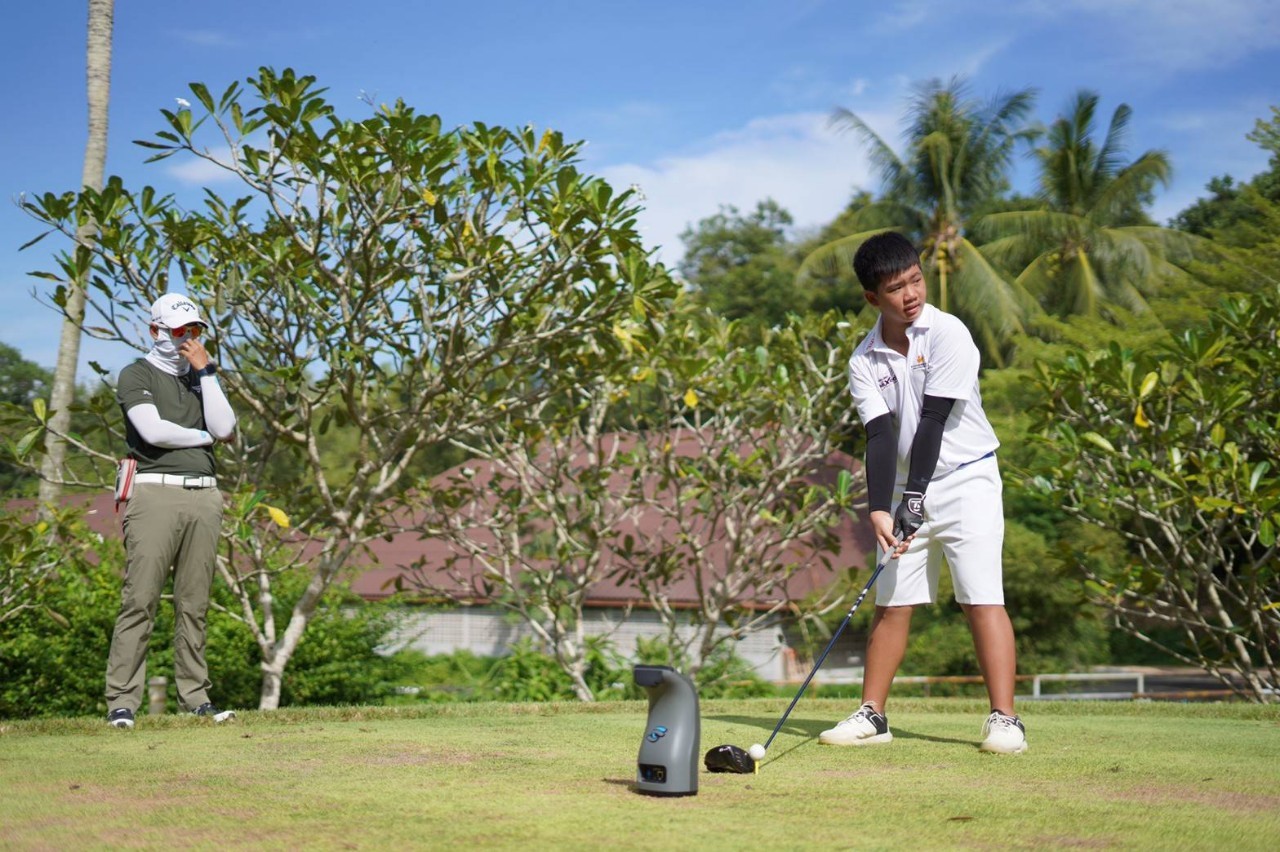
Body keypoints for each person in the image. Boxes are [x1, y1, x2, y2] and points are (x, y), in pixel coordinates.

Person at [818, 232, 1027, 754]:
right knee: (892, 602)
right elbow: (880, 436)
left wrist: (913, 499)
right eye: (896, 288)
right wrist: (879, 509)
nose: (911, 294)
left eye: (916, 280)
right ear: (872, 297)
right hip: (905, 486)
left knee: (980, 596)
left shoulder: (949, 333)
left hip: (967, 478)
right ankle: (873, 716)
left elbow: (933, 419)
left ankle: (1005, 720)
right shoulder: (863, 361)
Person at [105, 293, 238, 729]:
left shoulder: (201, 377)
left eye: (194, 330)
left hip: (205, 495)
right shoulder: (137, 373)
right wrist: (204, 437)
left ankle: (196, 699)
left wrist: (208, 373)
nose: (187, 338)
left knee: (194, 603)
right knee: (140, 600)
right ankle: (122, 703)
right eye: (179, 330)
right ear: (156, 331)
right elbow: (154, 431)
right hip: (154, 493)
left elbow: (226, 426)